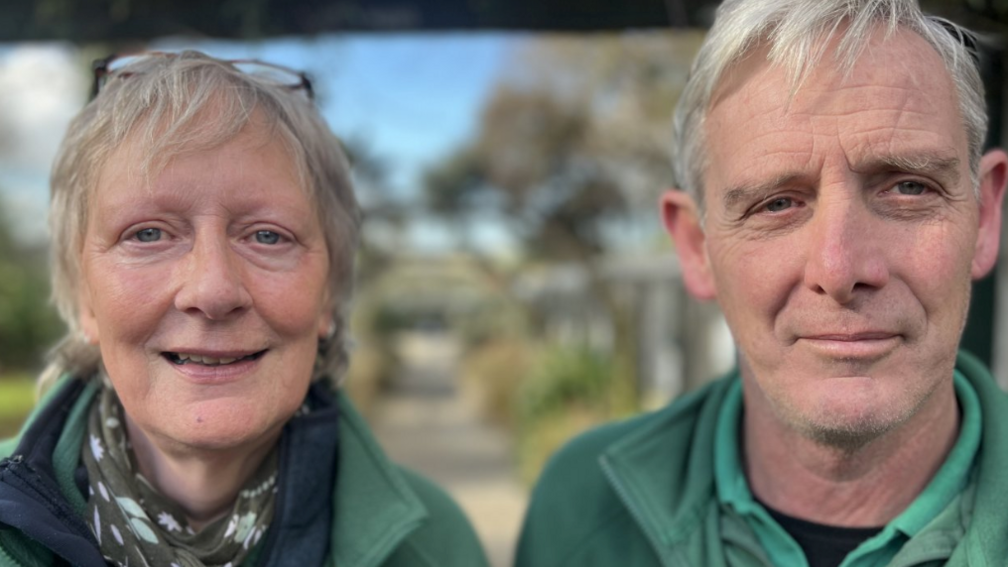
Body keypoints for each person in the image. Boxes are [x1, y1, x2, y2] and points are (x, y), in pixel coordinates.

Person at [516, 0, 1008, 565]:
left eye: (908, 188)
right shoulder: (583, 509)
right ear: (697, 249)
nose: (840, 268)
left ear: (985, 218)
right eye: (776, 203)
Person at [0, 51, 488, 567]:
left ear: (328, 295)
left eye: (267, 236)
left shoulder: (436, 545)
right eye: (147, 234)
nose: (213, 290)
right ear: (84, 298)